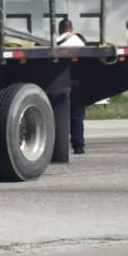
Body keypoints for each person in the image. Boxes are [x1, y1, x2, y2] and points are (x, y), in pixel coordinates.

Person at [56, 17, 87, 155]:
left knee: (59, 113)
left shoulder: (57, 42)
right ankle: (78, 146)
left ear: (60, 29)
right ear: (71, 29)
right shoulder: (80, 41)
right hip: (77, 81)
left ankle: (59, 146)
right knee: (77, 115)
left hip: (60, 80)